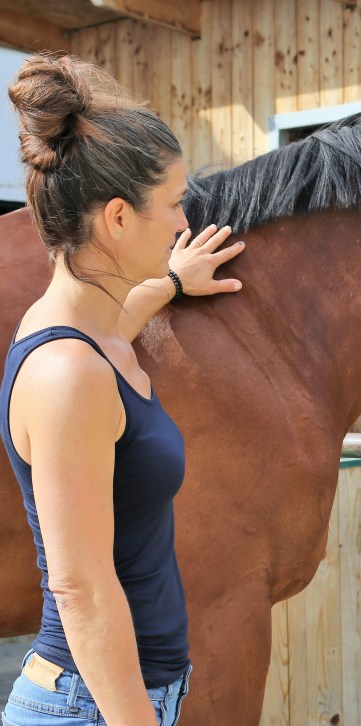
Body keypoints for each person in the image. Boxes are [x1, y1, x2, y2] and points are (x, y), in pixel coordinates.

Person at [1, 53, 245, 726]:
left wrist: (173, 282)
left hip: (112, 699)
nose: (182, 222)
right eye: (172, 203)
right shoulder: (69, 373)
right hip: (91, 707)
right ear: (116, 218)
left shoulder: (87, 334)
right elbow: (79, 588)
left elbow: (118, 322)